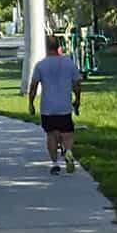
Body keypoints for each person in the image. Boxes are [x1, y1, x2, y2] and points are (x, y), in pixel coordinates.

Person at [25, 35, 84, 175]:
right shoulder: (69, 63)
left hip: (48, 107)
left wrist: (31, 103)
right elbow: (77, 84)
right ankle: (68, 151)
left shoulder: (41, 65)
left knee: (51, 135)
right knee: (67, 134)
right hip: (64, 106)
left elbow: (33, 86)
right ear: (58, 46)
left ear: (46, 47)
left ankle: (54, 163)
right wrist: (77, 99)